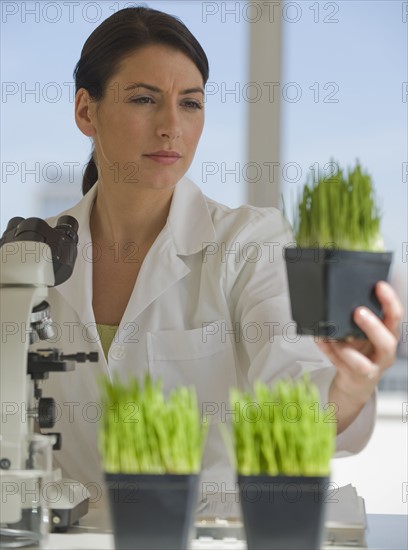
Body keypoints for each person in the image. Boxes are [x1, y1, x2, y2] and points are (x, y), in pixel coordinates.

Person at [42, 6, 402, 500]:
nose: (172, 125)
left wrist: (352, 385)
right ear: (87, 111)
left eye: (190, 104)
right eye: (145, 99)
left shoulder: (249, 243)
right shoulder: (28, 254)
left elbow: (295, 399)